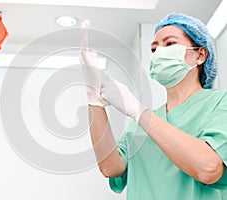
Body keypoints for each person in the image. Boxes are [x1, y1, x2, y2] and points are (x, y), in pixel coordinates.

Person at [80, 13, 227, 199]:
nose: (159, 53)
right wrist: (94, 98)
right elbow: (110, 167)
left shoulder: (221, 103)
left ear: (200, 55)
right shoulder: (143, 121)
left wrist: (139, 111)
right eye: (154, 49)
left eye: (170, 43)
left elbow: (209, 168)